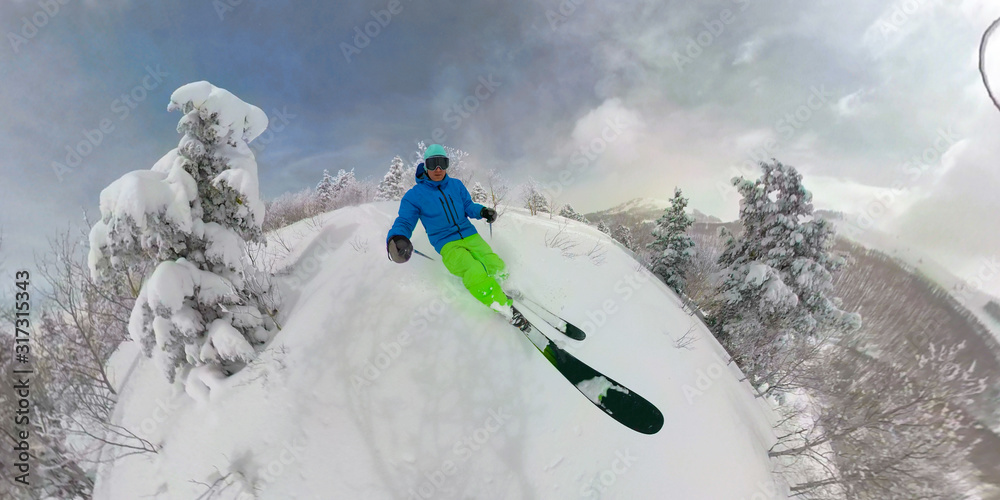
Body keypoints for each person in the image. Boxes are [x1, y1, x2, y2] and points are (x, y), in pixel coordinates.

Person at [386, 144, 527, 329]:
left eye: (442, 163)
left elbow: (468, 206)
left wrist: (483, 211)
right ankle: (501, 306)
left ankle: (502, 286)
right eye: (433, 163)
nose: (438, 169)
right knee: (474, 269)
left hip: (470, 235)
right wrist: (397, 237)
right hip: (446, 243)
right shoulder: (414, 196)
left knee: (495, 263)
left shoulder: (456, 185)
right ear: (426, 166)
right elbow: (404, 221)